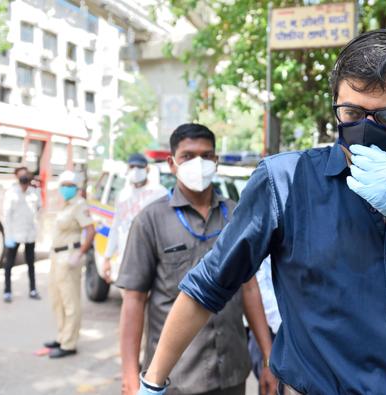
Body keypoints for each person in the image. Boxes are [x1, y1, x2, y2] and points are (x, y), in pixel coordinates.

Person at [138, 29, 386, 395]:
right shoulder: (283, 183)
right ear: (335, 104)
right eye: (351, 112)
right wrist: (152, 383)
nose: (366, 129)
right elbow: (208, 287)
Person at [116, 124, 277, 395]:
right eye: (188, 156)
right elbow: (134, 300)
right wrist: (130, 376)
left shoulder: (237, 215)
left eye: (206, 155)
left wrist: (268, 359)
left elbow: (249, 288)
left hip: (232, 373)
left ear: (215, 161)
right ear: (171, 163)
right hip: (174, 378)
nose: (198, 163)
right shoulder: (150, 221)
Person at [44, 170, 95, 359]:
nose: (65, 188)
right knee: (57, 299)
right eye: (63, 185)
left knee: (70, 301)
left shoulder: (79, 205)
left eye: (69, 185)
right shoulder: (66, 205)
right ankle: (61, 336)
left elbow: (90, 231)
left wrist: (80, 253)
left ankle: (69, 343)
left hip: (69, 256)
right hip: (56, 256)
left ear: (76, 187)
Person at [102, 153, 167, 283]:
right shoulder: (123, 195)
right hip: (125, 259)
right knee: (126, 298)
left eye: (140, 167)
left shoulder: (160, 193)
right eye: (132, 166)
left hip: (151, 260)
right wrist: (107, 258)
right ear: (127, 168)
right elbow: (116, 227)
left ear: (147, 169)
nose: (136, 170)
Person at [2, 166, 42, 303]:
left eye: (26, 175)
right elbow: (6, 216)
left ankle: (33, 289)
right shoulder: (11, 193)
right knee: (9, 264)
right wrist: (8, 236)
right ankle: (7, 291)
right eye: (21, 176)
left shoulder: (34, 192)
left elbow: (38, 209)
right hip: (14, 234)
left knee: (31, 263)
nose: (24, 178)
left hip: (29, 234)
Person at [247, 258, 283, 395]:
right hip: (270, 328)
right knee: (272, 386)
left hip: (300, 329)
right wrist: (269, 361)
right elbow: (252, 287)